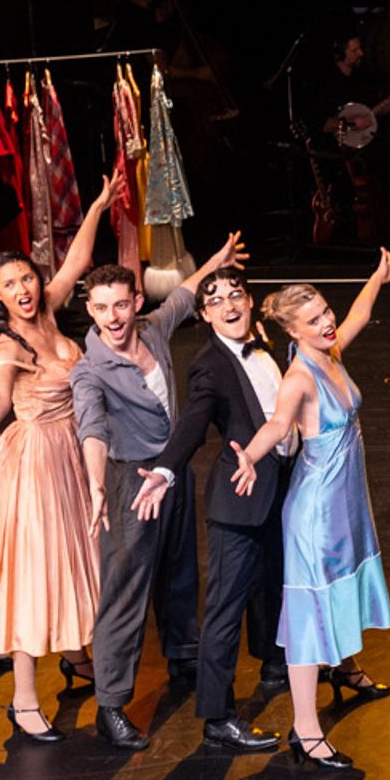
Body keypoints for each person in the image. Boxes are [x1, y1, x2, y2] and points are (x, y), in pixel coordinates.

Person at [68, 224, 249, 750]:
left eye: (120, 306)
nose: (113, 318)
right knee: (125, 588)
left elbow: (187, 291)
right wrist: (97, 485)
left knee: (179, 571)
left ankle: (184, 655)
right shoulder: (89, 370)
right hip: (127, 480)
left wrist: (216, 258)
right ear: (92, 312)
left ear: (136, 300)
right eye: (101, 310)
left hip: (171, 468)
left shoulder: (151, 328)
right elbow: (92, 428)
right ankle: (110, 703)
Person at [229, 254, 390, 769]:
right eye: (315, 320)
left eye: (325, 311)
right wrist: (251, 456)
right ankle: (306, 729)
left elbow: (357, 319)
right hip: (315, 513)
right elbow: (278, 426)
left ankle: (345, 667)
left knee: (343, 584)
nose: (328, 322)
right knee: (308, 615)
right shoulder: (299, 377)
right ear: (292, 330)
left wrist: (375, 278)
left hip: (345, 503)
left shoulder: (332, 350)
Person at [160, 259, 317, 739]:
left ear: (250, 301)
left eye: (235, 295)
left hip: (280, 490)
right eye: (216, 301)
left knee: (272, 584)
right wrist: (167, 467)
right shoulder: (209, 365)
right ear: (204, 315)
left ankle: (272, 662)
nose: (228, 305)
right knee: (225, 606)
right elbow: (193, 422)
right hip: (239, 500)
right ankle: (216, 716)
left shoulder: (266, 346)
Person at [0, 241, 104, 743]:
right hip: (37, 461)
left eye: (27, 278)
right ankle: (23, 701)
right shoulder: (9, 344)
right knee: (34, 575)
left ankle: (76, 654)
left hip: (71, 451)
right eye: (10, 284)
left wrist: (100, 203)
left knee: (78, 557)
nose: (23, 289)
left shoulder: (47, 309)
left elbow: (75, 262)